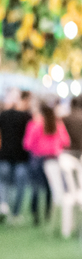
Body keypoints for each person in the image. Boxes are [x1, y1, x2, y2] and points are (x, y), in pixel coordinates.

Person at [23, 104, 71, 225]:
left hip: (38, 159)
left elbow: (27, 144)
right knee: (51, 187)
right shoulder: (58, 125)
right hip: (53, 159)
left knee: (36, 187)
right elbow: (66, 141)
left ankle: (35, 215)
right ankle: (48, 214)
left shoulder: (35, 125)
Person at [0, 91, 33, 223]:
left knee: (4, 183)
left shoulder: (2, 116)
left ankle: (3, 205)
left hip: (4, 154)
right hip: (21, 156)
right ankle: (15, 213)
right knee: (20, 186)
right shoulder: (26, 117)